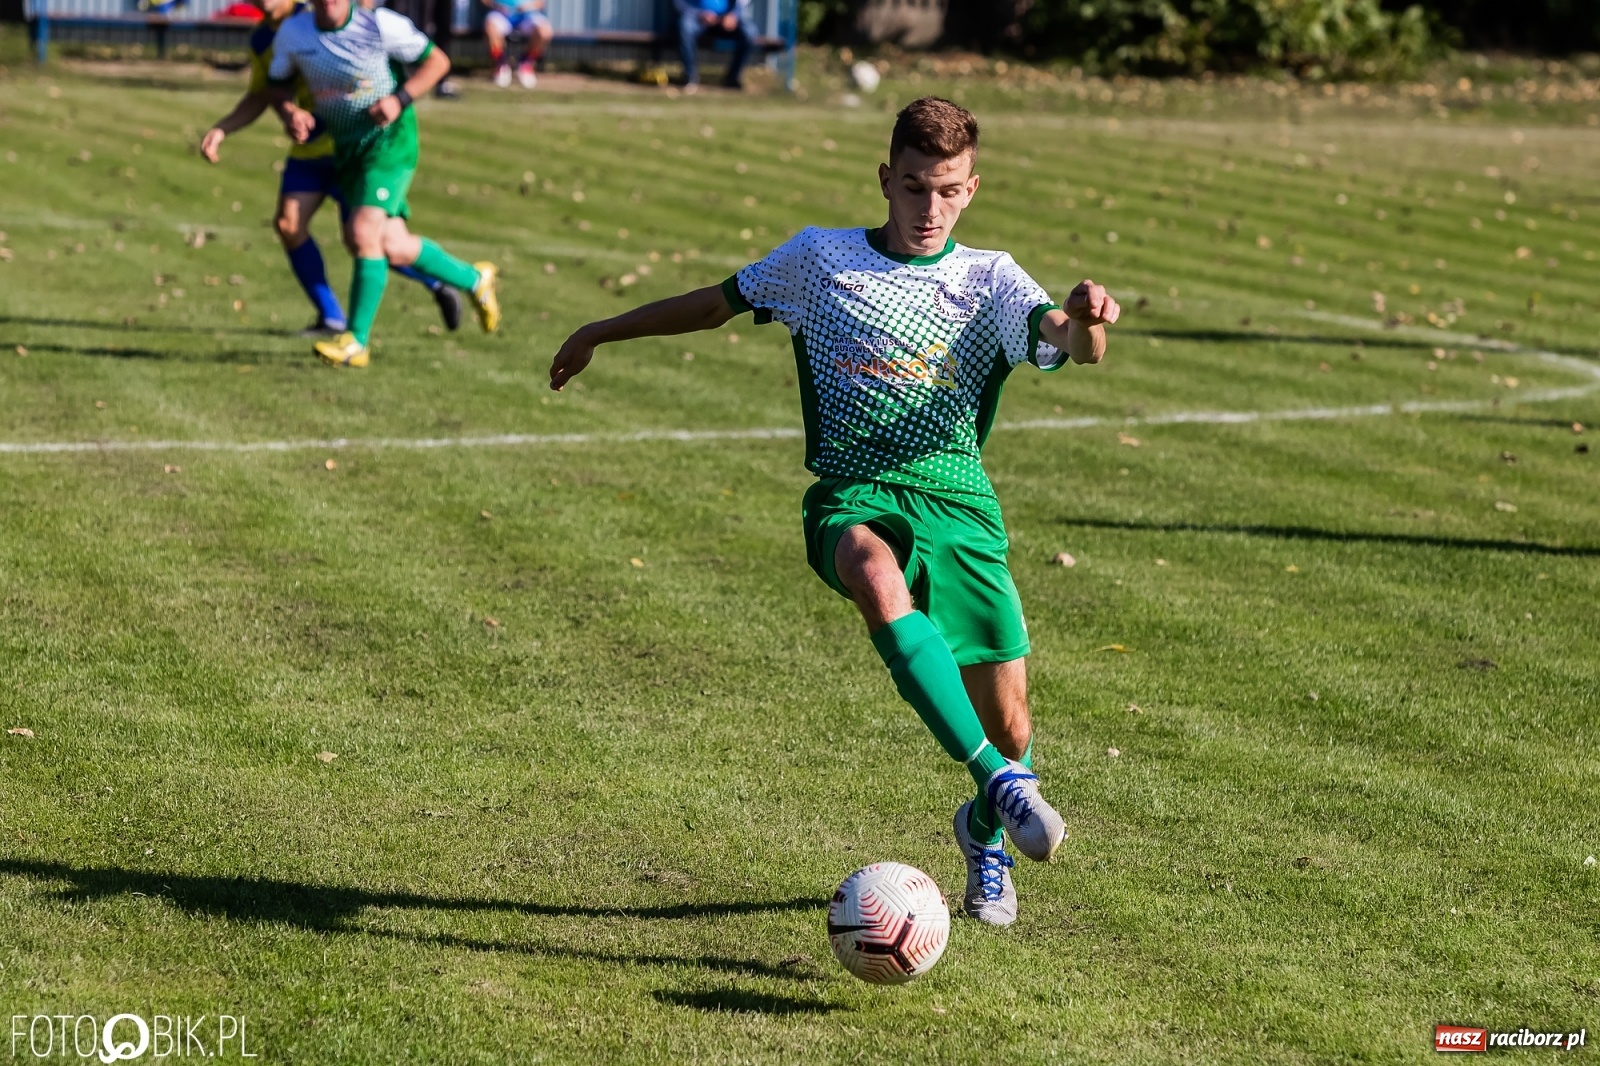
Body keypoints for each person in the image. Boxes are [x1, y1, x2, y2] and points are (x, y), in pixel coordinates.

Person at [549, 97, 1120, 926]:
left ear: (972, 190)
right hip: (854, 490)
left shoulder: (989, 278)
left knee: (1012, 722)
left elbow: (1067, 340)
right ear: (886, 179)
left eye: (949, 191)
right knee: (867, 565)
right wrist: (602, 328)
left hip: (959, 502)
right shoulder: (820, 261)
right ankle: (998, 782)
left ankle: (984, 824)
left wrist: (1094, 323)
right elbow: (716, 303)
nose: (930, 208)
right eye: (915, 187)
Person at [201, 0, 466, 337]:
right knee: (289, 224)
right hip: (310, 150)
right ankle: (332, 318)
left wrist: (395, 100)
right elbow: (265, 92)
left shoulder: (318, 18)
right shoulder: (265, 38)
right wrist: (228, 127)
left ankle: (438, 281)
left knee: (369, 238)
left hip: (352, 148)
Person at [266, 0, 501, 367]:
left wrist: (399, 98)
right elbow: (277, 86)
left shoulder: (379, 26)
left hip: (390, 145)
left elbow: (437, 61)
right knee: (393, 246)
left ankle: (355, 342)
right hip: (349, 149)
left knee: (362, 234)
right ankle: (474, 279)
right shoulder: (294, 33)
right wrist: (289, 112)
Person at [674, 0, 757, 90]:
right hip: (698, 20)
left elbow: (742, 3)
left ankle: (733, 77)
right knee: (686, 26)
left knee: (750, 32)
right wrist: (700, 14)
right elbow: (680, 3)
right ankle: (690, 77)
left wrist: (733, 15)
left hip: (726, 20)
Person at [483, 0, 552, 89]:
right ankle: (501, 65)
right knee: (491, 28)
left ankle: (526, 64)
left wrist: (528, 7)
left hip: (528, 14)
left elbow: (540, 2)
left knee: (544, 32)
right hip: (500, 14)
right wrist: (496, 5)